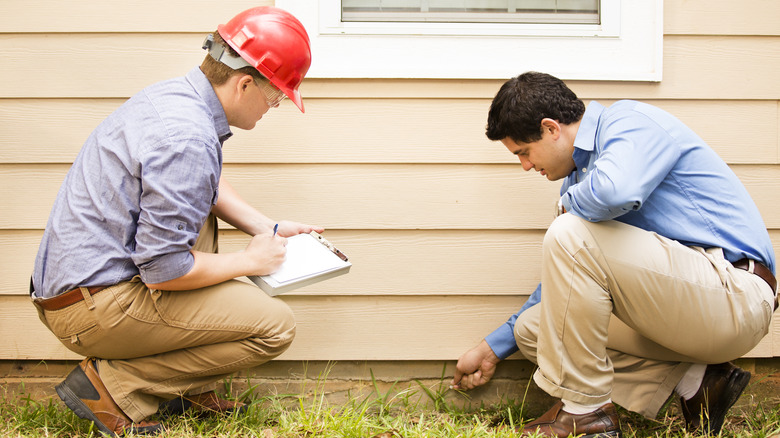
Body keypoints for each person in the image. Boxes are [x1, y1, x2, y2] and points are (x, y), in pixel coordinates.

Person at [30, 7, 319, 437]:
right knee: (275, 327)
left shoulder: (176, 99)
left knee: (194, 218)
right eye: (276, 96)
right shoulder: (186, 137)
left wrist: (266, 228)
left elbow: (202, 186)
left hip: (82, 287)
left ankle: (180, 388)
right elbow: (164, 270)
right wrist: (251, 261)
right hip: (92, 309)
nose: (274, 105)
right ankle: (114, 389)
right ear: (244, 83)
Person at [451, 72, 777, 437]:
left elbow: (617, 192)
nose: (526, 166)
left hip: (734, 294)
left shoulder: (628, 123)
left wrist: (566, 209)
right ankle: (697, 381)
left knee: (568, 233)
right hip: (684, 310)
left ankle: (587, 415)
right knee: (535, 328)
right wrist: (492, 348)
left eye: (524, 152)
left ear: (551, 128)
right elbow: (567, 286)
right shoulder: (577, 185)